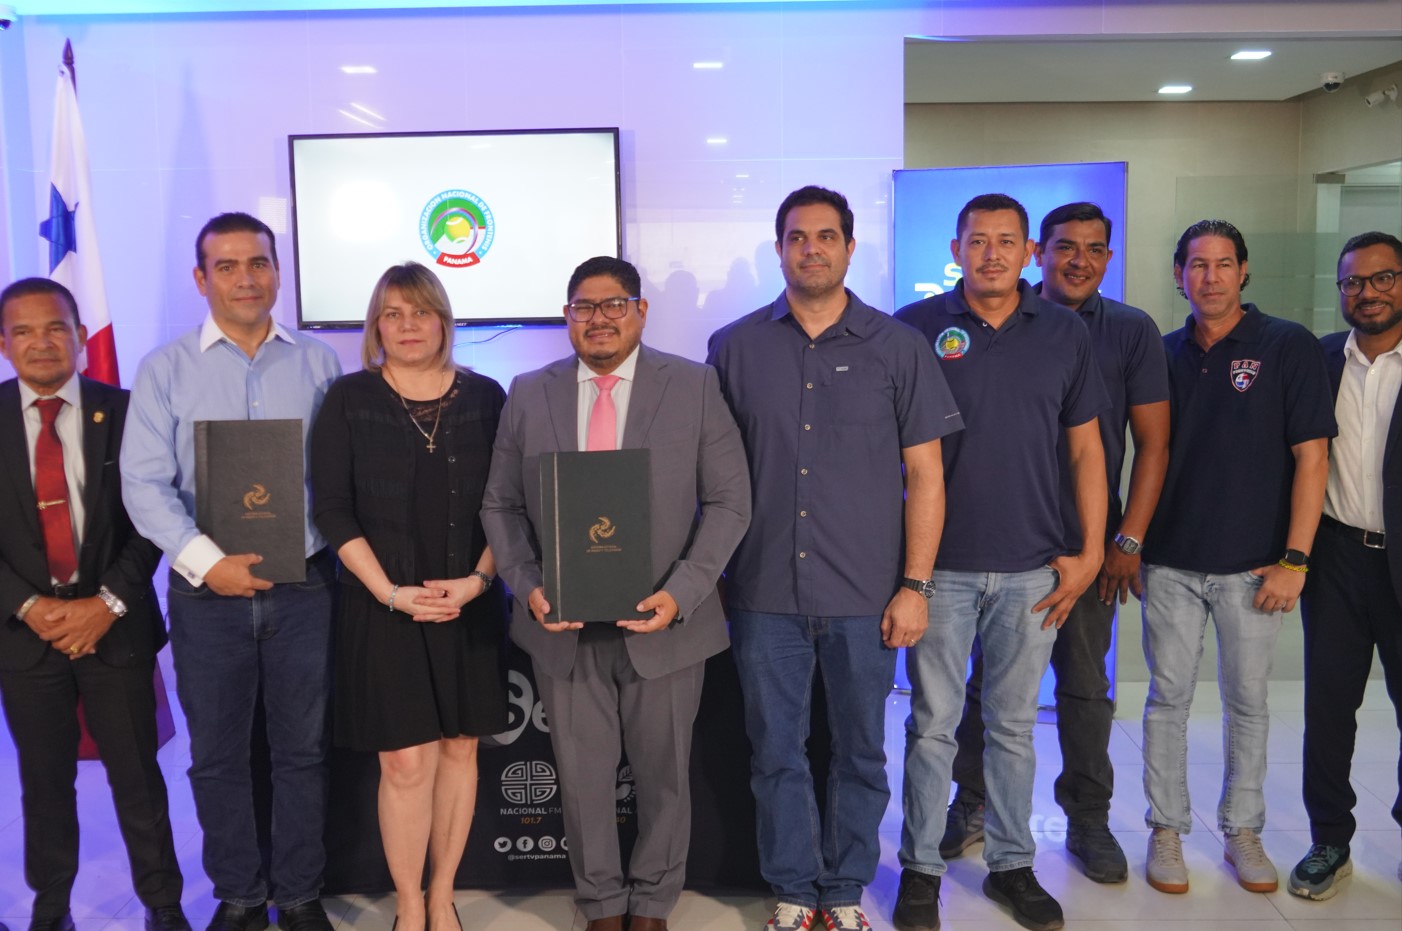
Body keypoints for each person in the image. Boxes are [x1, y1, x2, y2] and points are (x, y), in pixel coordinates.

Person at [708, 186, 961, 931]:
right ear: (779, 248)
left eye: (826, 236)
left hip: (865, 593)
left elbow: (927, 475)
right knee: (775, 752)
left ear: (850, 248)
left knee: (860, 752)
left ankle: (845, 887)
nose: (811, 249)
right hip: (763, 591)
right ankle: (793, 887)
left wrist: (915, 585)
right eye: (797, 237)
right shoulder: (734, 347)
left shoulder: (898, 347)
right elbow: (709, 473)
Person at [481, 255, 750, 931]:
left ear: (640, 311)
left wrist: (683, 592)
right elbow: (500, 506)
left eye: (614, 304)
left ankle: (653, 902)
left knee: (666, 777)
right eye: (583, 307)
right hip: (562, 625)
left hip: (666, 621)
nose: (598, 318)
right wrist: (529, 586)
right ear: (567, 316)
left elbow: (729, 502)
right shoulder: (529, 392)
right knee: (580, 778)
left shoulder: (693, 385)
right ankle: (600, 903)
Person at [935, 202, 1170, 886]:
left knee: (1085, 683)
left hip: (1087, 542)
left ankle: (1088, 817)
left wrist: (1121, 541)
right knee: (986, 686)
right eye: (1066, 247)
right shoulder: (997, 320)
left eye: (1094, 249)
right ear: (1041, 253)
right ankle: (973, 800)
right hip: (1001, 539)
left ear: (1108, 258)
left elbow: (1152, 443)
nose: (1079, 260)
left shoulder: (1128, 329)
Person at [893, 193, 1109, 931]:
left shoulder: (1065, 332)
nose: (991, 254)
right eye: (977, 241)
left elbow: (1087, 449)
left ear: (1027, 253)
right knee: (933, 725)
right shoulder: (915, 327)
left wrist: (1090, 552)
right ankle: (921, 869)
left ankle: (1012, 865)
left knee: (1014, 726)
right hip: (939, 568)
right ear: (955, 250)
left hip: (1032, 568)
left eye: (1006, 241)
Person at [122, 212, 343, 931]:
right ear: (201, 278)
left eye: (259, 263)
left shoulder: (320, 363)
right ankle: (241, 895)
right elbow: (143, 485)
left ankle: (299, 893)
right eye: (227, 266)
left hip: (304, 587)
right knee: (216, 757)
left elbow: (336, 479)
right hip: (204, 596)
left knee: (302, 752)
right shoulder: (164, 369)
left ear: (278, 272)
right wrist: (206, 562)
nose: (246, 278)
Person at [310, 262, 509, 929]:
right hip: (382, 606)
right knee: (404, 761)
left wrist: (480, 580)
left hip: (469, 604)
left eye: (421, 311)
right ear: (376, 326)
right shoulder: (348, 399)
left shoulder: (487, 398)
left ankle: (444, 893)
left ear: (443, 321)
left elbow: (509, 503)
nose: (408, 325)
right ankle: (409, 902)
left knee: (459, 749)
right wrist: (390, 592)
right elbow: (332, 509)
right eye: (392, 314)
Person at [1140, 219, 1334, 896]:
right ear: (1179, 275)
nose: (1211, 277)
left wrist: (1295, 559)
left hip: (1255, 566)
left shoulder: (1286, 344)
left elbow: (1313, 457)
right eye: (1197, 265)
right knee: (1166, 700)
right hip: (1169, 560)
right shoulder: (1163, 353)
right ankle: (1166, 830)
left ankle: (1242, 830)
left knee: (1247, 702)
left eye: (1224, 264)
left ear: (1244, 271)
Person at [0, 278, 188, 931]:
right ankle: (52, 908)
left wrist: (106, 603)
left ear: (81, 336)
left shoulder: (129, 411)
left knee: (137, 776)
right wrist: (28, 605)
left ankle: (163, 904)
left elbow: (154, 519)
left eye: (55, 327)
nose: (41, 342)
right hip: (25, 635)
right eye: (23, 331)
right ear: (4, 344)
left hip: (116, 626)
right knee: (43, 781)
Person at [1290, 231, 1402, 900]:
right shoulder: (1320, 358)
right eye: (1354, 282)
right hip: (1336, 559)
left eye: (1383, 277)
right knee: (1330, 711)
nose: (1368, 292)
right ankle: (1329, 839)